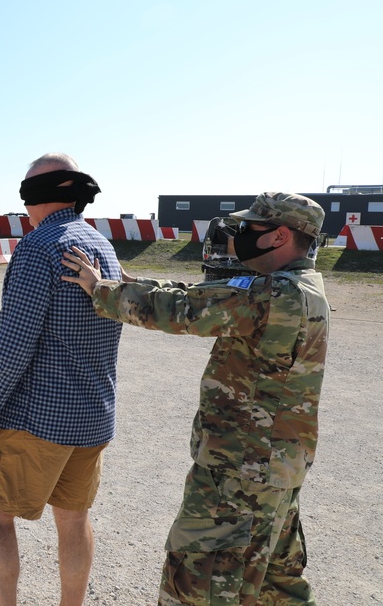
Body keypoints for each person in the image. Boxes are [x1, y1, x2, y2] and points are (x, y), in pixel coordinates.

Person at [62, 192, 328, 605]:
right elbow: (210, 294)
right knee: (276, 586)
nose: (239, 236)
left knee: (198, 585)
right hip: (275, 468)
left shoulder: (274, 294)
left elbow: (185, 310)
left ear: (278, 237)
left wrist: (104, 291)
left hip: (240, 472)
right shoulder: (300, 286)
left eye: (250, 229)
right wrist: (136, 283)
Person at [0, 153, 123, 606]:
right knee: (74, 520)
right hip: (93, 415)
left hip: (40, 418)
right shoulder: (103, 246)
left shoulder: (38, 248)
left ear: (39, 196)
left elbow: (14, 344)